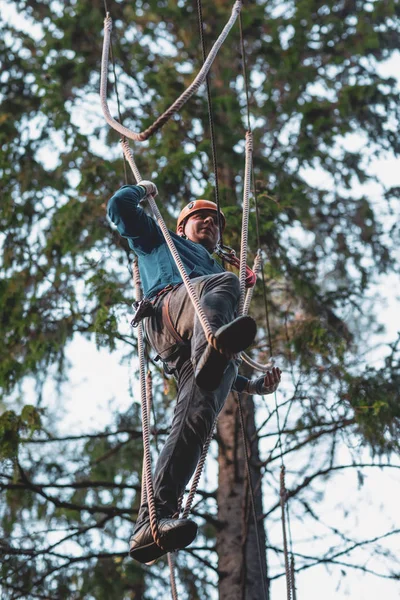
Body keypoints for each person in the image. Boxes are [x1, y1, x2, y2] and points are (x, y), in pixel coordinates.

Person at [107, 181, 281, 564]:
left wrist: (250, 385)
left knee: (194, 425)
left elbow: (218, 364)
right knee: (224, 285)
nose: (208, 223)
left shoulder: (216, 270)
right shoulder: (161, 239)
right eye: (199, 217)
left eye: (215, 221)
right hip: (170, 310)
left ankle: (150, 525)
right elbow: (119, 208)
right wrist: (141, 188)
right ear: (182, 226)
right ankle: (214, 350)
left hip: (195, 352)